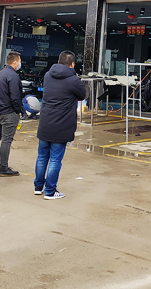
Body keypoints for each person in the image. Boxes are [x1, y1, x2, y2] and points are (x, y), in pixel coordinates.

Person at [34, 51, 86, 200]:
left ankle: (38, 187)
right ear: (72, 64)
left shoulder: (48, 75)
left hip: (45, 122)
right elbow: (82, 95)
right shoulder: (73, 80)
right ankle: (50, 191)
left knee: (42, 156)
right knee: (55, 159)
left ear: (58, 62)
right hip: (61, 125)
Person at [0, 51, 23, 176]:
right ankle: (3, 168)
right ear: (15, 62)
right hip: (9, 113)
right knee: (6, 140)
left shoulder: (0, 74)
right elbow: (15, 97)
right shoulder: (13, 76)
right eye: (19, 61)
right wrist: (19, 111)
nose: (20, 64)